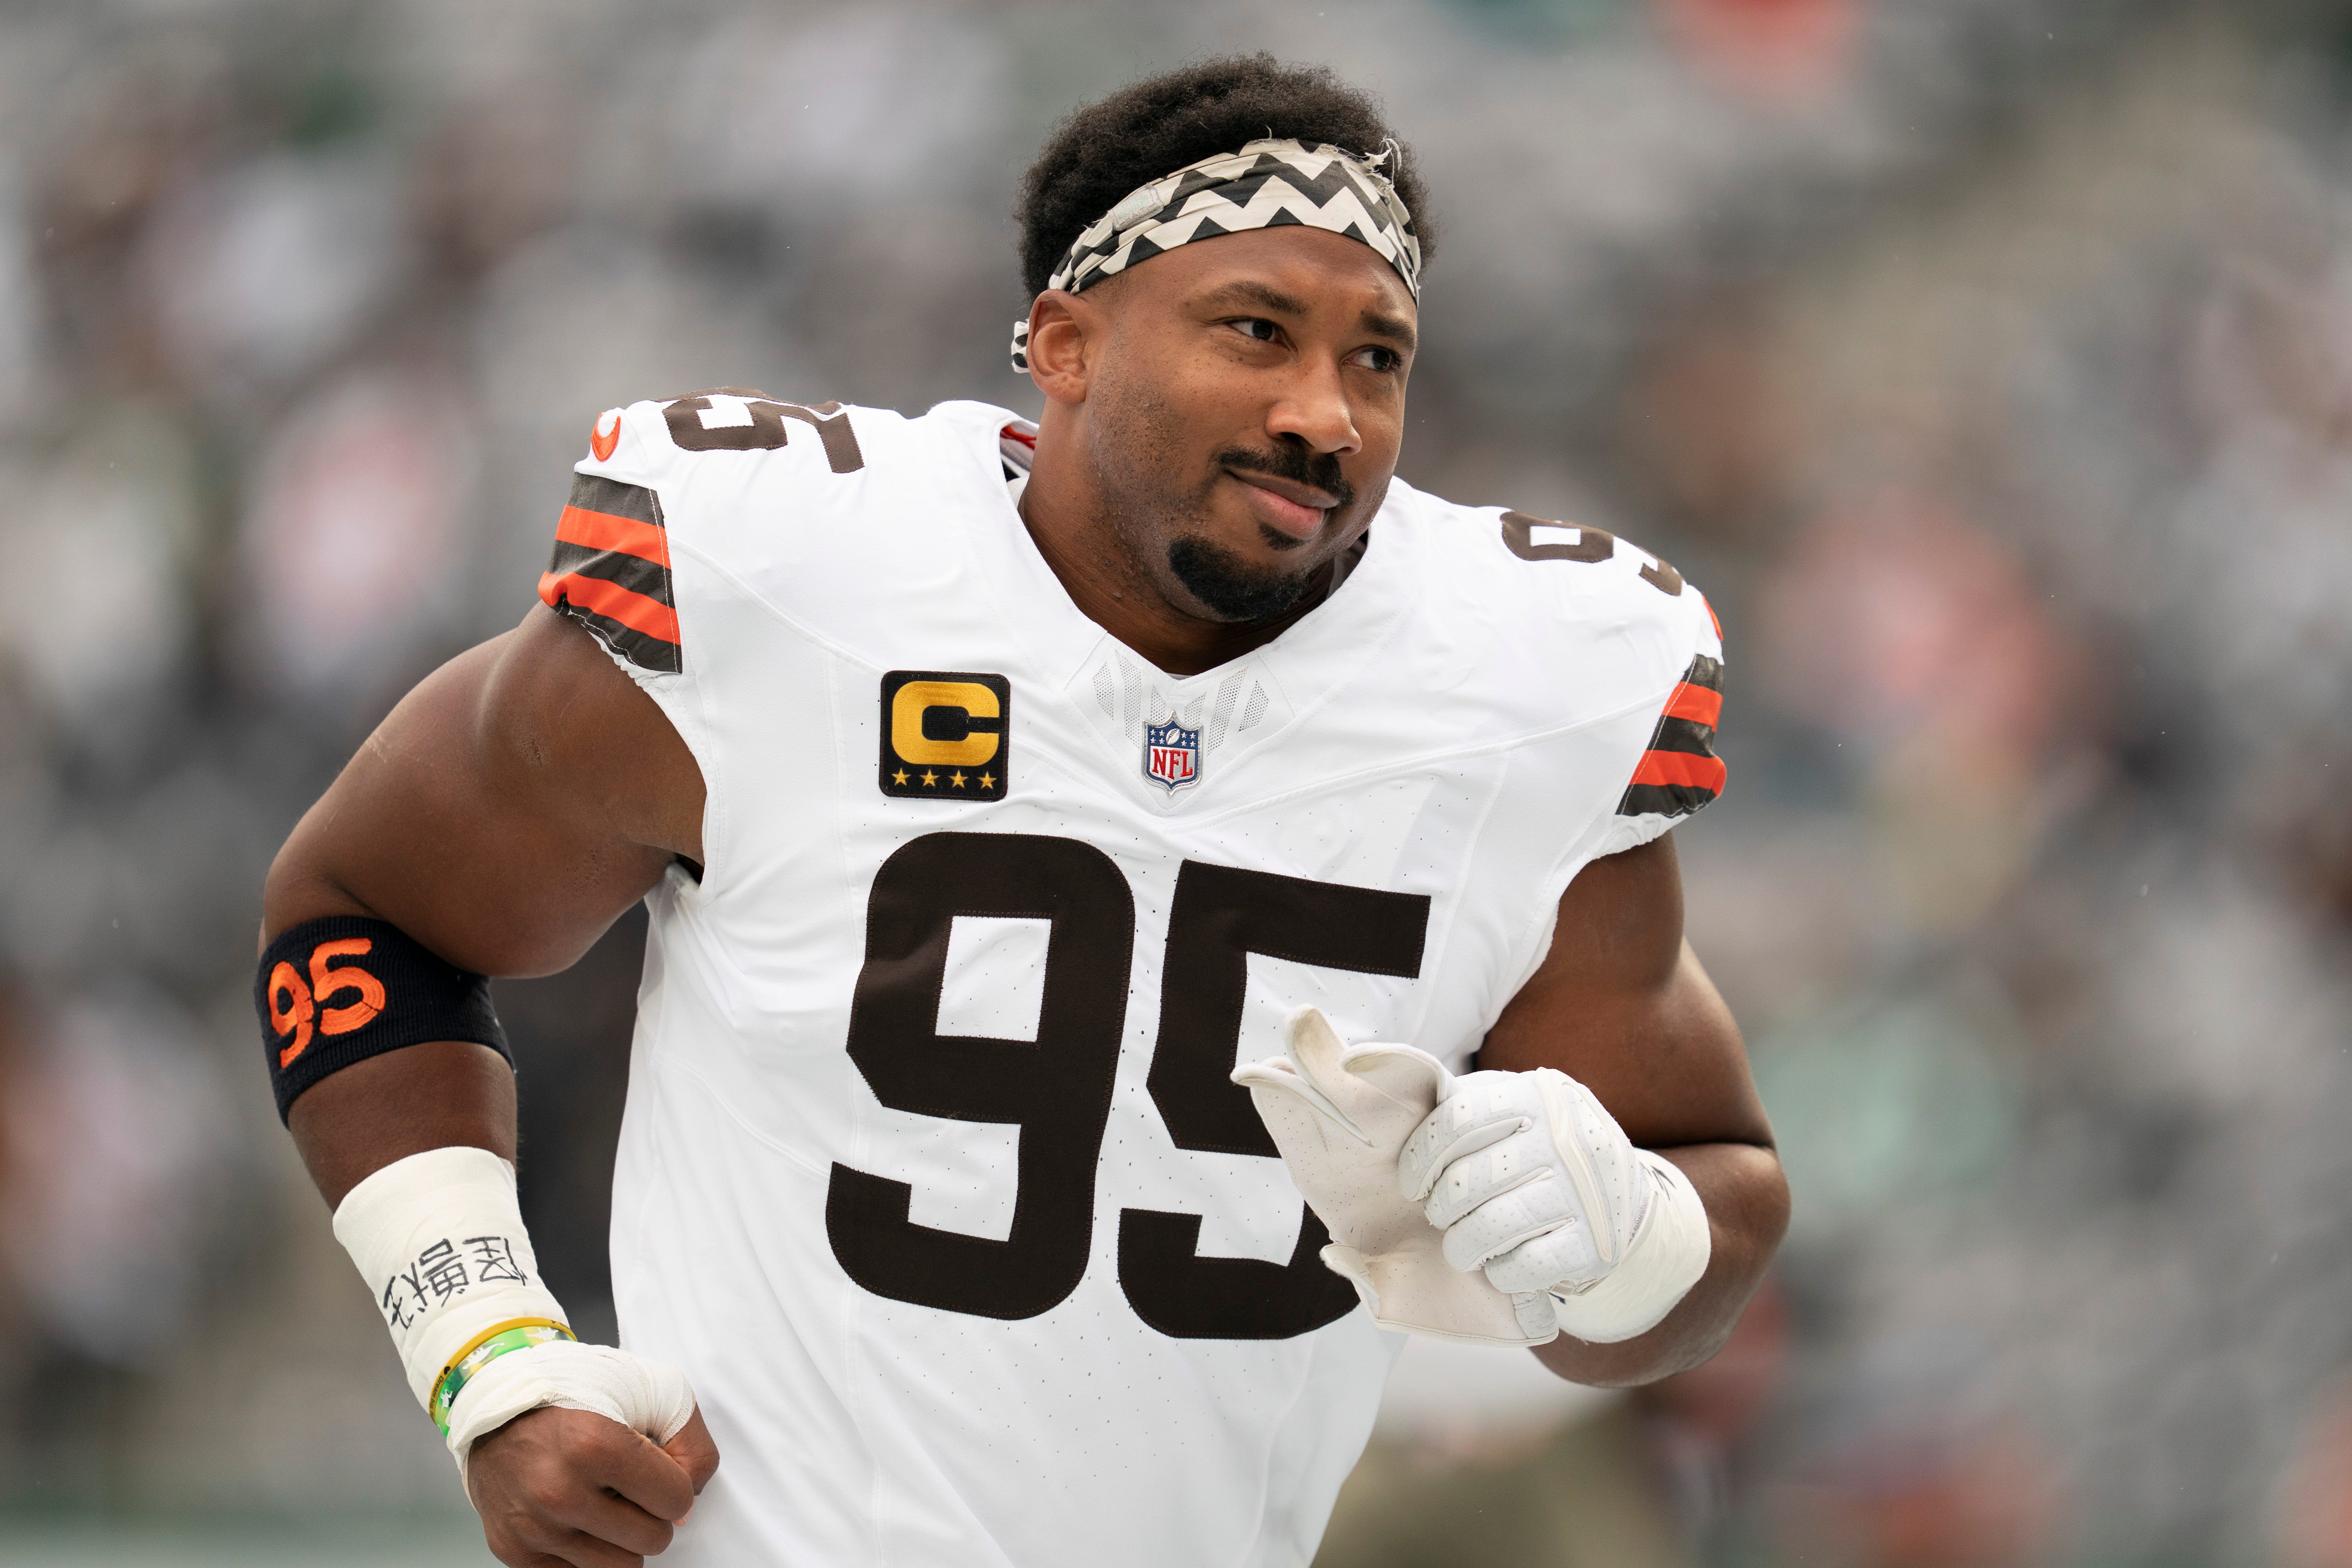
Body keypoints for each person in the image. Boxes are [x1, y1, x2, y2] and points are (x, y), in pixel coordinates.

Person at [255, 54, 1788, 1568]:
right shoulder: (794, 583)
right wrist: (482, 1344)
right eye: (1256, 331)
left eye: (1377, 358)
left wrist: (1620, 1234)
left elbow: (1708, 1206)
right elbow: (365, 911)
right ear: (1065, 343)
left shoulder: (1525, 685)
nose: (1326, 415)